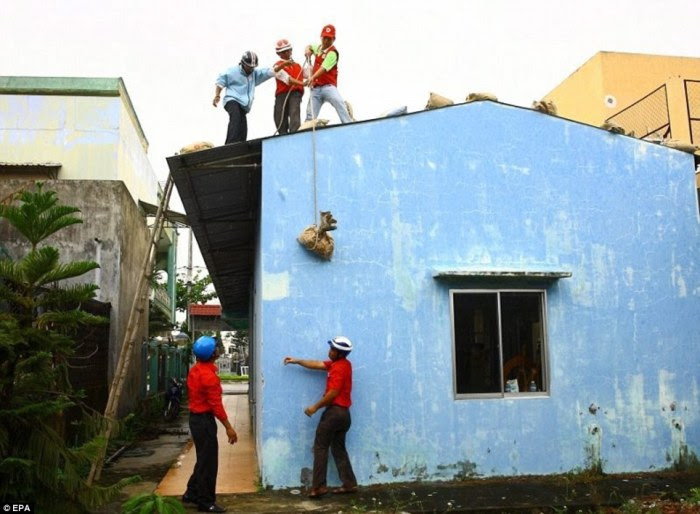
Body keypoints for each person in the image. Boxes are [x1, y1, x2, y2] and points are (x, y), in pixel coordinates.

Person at [284, 336, 358, 498]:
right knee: (339, 449)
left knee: (320, 447)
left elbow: (333, 393)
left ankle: (318, 487)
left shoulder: (338, 368)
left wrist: (314, 407)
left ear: (339, 353)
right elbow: (317, 364)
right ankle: (349, 483)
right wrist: (297, 361)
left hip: (334, 413)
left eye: (332, 349)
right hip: (344, 415)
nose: (329, 351)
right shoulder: (343, 364)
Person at [182, 336, 237, 513]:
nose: (219, 349)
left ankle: (191, 493)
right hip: (204, 421)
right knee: (209, 463)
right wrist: (229, 427)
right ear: (213, 353)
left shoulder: (196, 370)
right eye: (216, 347)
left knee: (203, 459)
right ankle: (206, 501)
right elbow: (216, 406)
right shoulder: (209, 377)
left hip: (195, 420)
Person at [213, 51, 292, 144]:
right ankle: (230, 143)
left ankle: (240, 144)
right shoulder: (232, 71)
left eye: (252, 67)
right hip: (232, 100)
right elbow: (220, 82)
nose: (250, 69)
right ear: (243, 63)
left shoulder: (254, 74)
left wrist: (284, 64)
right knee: (236, 117)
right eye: (248, 67)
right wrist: (217, 95)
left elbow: (271, 71)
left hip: (243, 105)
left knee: (243, 126)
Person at [303, 24, 353, 124]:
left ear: (333, 39)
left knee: (338, 103)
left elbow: (323, 68)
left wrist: (312, 77)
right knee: (310, 114)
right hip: (316, 88)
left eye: (329, 39)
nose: (326, 41)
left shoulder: (333, 53)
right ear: (321, 37)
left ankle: (348, 123)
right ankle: (307, 131)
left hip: (328, 87)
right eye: (324, 38)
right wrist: (307, 50)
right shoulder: (318, 48)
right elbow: (309, 46)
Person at [273, 38, 305, 134]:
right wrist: (303, 83)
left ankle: (294, 134)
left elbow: (308, 73)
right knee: (279, 116)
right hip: (281, 95)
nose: (287, 53)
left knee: (294, 112)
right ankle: (283, 135)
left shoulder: (298, 66)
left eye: (288, 50)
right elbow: (287, 79)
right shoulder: (277, 66)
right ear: (279, 54)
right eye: (284, 51)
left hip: (295, 94)